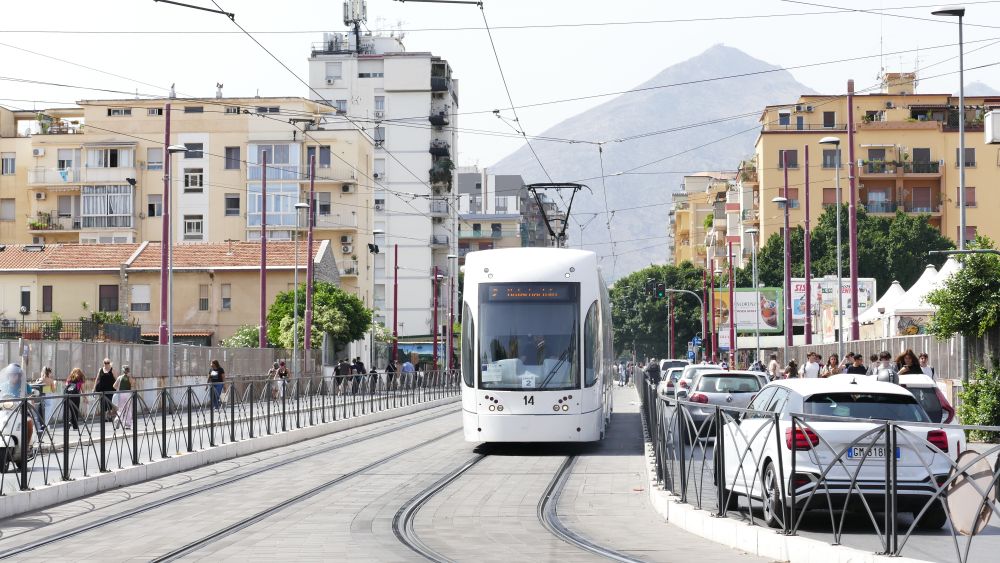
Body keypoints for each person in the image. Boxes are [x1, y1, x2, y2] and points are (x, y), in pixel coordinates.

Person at [36, 366, 56, 431]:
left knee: (41, 411)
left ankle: (41, 425)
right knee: (48, 411)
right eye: (50, 373)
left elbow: (40, 388)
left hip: (41, 396)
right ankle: (46, 425)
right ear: (48, 373)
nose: (51, 374)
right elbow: (53, 390)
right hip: (48, 396)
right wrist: (55, 384)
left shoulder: (39, 379)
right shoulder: (50, 380)